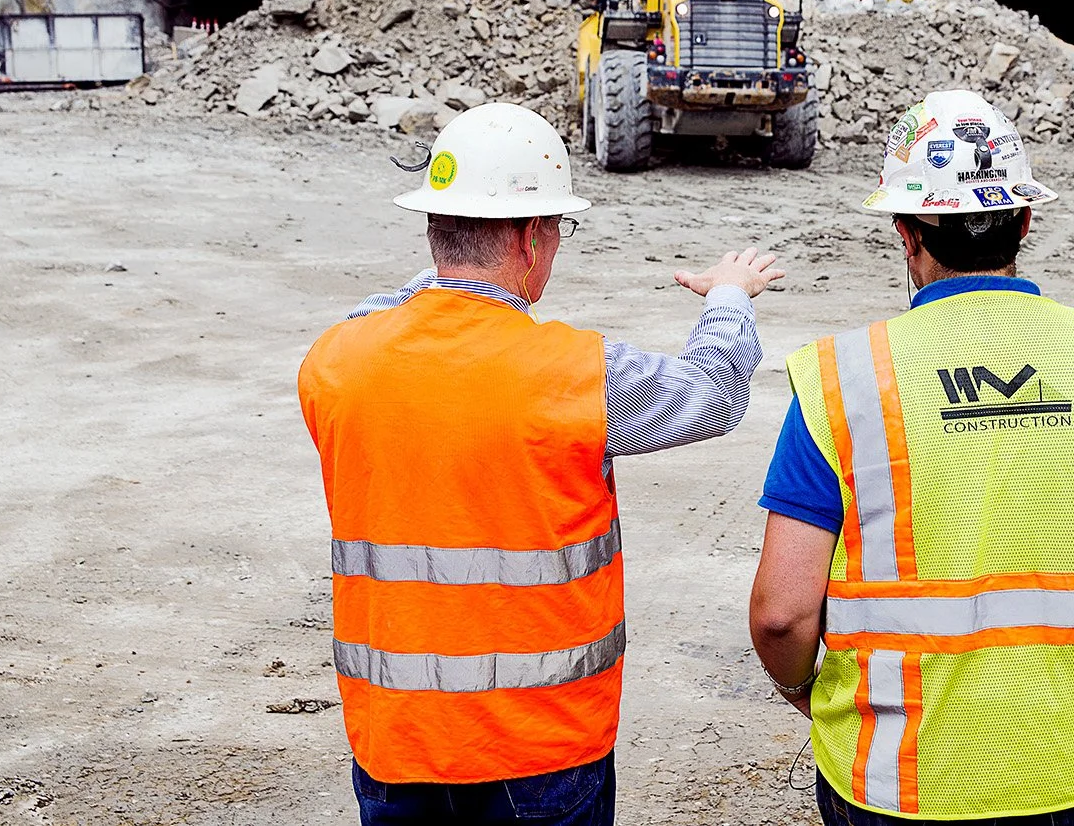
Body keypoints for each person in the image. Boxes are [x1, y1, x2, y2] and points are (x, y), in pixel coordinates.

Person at [748, 89, 1074, 825]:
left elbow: (782, 618)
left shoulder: (846, 378)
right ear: (1024, 219)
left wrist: (801, 692)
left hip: (900, 785)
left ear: (905, 235)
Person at [299, 103, 784, 826]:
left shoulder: (334, 361)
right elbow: (712, 396)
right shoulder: (573, 372)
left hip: (396, 742)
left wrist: (446, 268)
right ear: (532, 237)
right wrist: (727, 298)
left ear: (435, 227)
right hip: (542, 749)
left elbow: (388, 311)